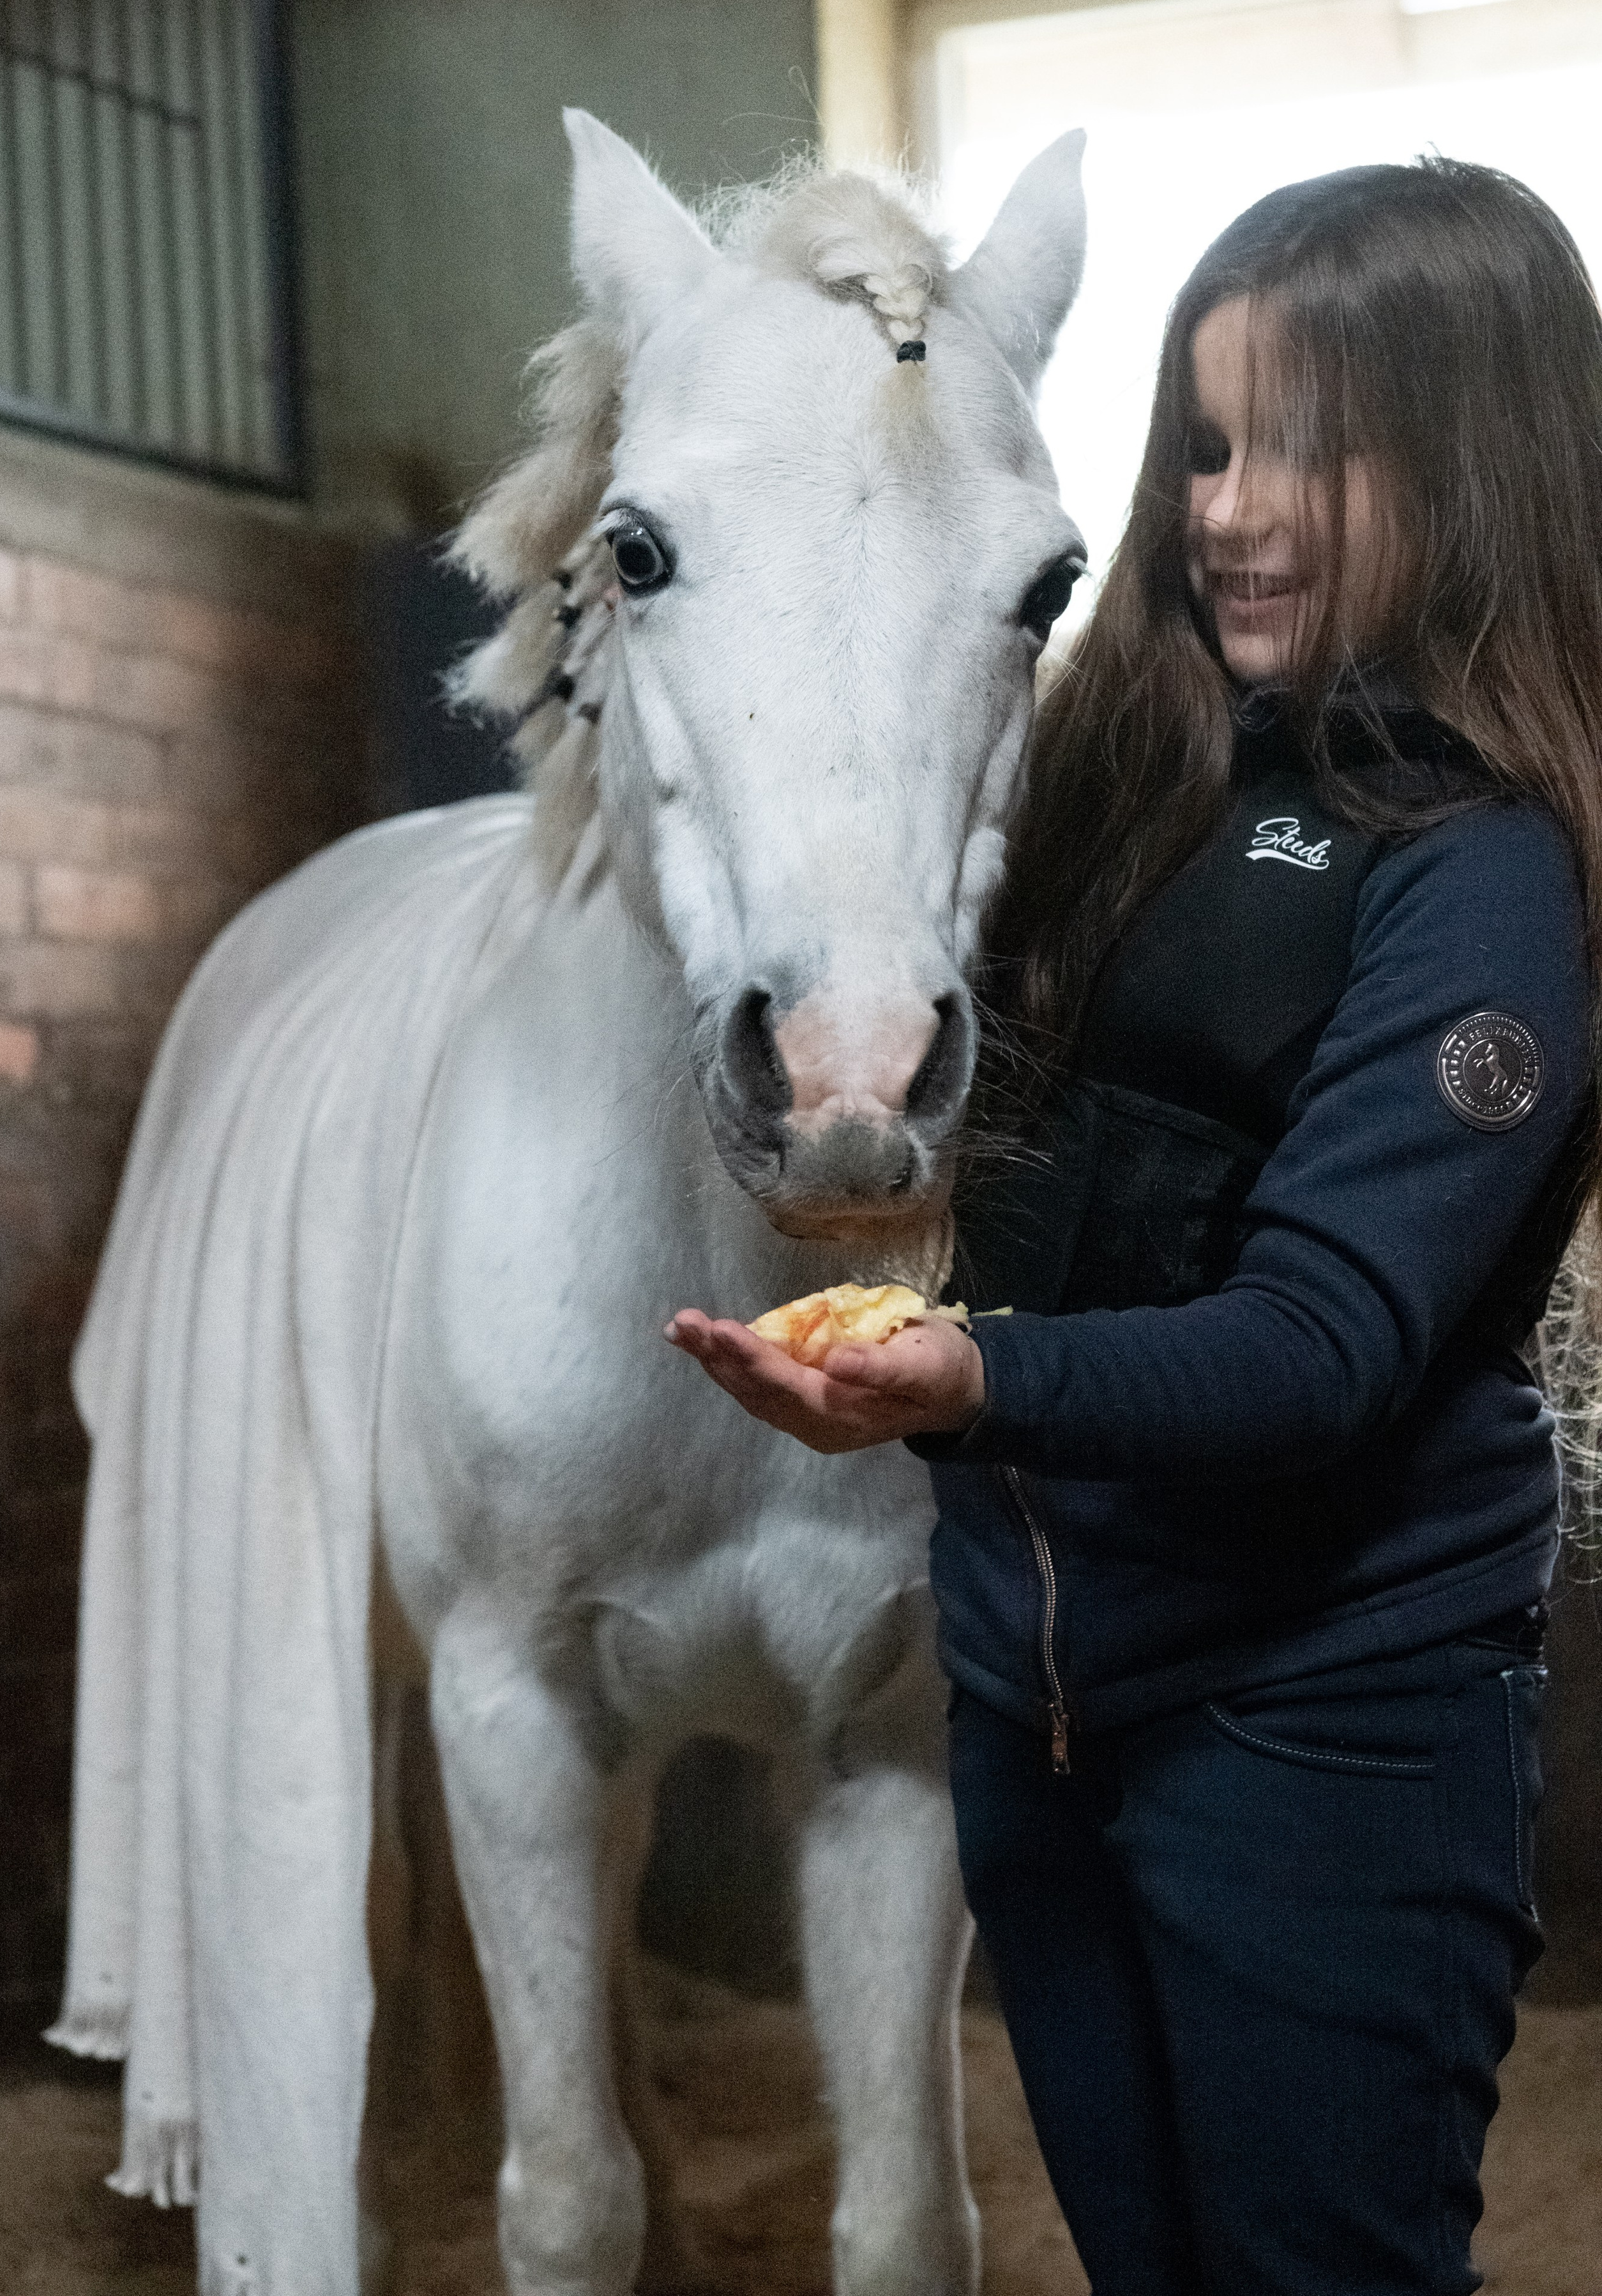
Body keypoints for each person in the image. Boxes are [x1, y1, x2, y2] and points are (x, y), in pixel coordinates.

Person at [666, 156, 1602, 2294]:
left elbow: (1323, 1345)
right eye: (1205, 441)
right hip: (1045, 1715)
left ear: (1481, 458)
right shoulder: (1146, 767)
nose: (1233, 508)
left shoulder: (1487, 879)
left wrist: (968, 1377)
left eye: (1314, 447)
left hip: (1321, 1745)